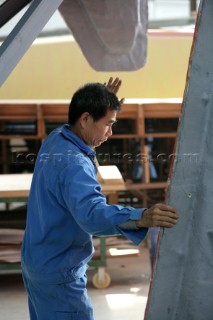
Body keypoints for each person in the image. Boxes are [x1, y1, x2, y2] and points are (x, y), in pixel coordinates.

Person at [21, 78, 178, 320]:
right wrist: (141, 217)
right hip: (59, 275)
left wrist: (100, 105)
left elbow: (84, 147)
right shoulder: (74, 164)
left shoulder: (57, 138)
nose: (111, 133)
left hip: (37, 264)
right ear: (85, 119)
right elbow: (92, 216)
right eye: (108, 124)